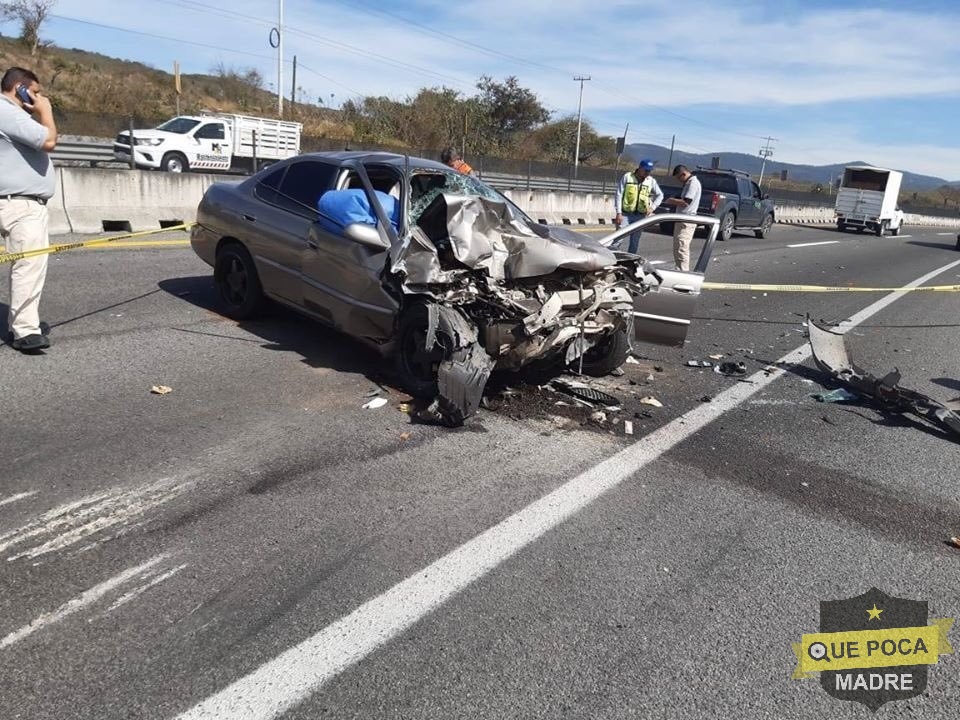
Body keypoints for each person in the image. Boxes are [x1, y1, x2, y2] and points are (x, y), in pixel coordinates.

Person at [0, 66, 58, 353]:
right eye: (34, 92)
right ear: (19, 88)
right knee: (28, 265)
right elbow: (48, 140)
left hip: (15, 201)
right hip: (20, 203)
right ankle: (24, 331)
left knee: (26, 264)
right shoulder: (6, 111)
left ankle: (25, 323)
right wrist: (44, 110)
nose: (38, 97)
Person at [614, 159, 663, 254]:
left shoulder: (650, 181)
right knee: (618, 240)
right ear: (640, 168)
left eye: (649, 170)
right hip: (625, 214)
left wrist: (653, 207)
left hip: (640, 216)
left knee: (634, 242)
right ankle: (612, 260)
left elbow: (660, 195)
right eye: (646, 170)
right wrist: (618, 213)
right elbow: (618, 194)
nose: (648, 172)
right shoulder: (628, 177)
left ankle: (630, 263)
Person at [663, 164, 701, 271]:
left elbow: (686, 202)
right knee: (678, 248)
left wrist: (671, 201)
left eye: (679, 178)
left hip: (687, 221)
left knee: (682, 248)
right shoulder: (688, 183)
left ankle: (684, 272)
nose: (679, 181)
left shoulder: (693, 183)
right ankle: (679, 269)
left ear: (683, 174)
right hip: (682, 219)